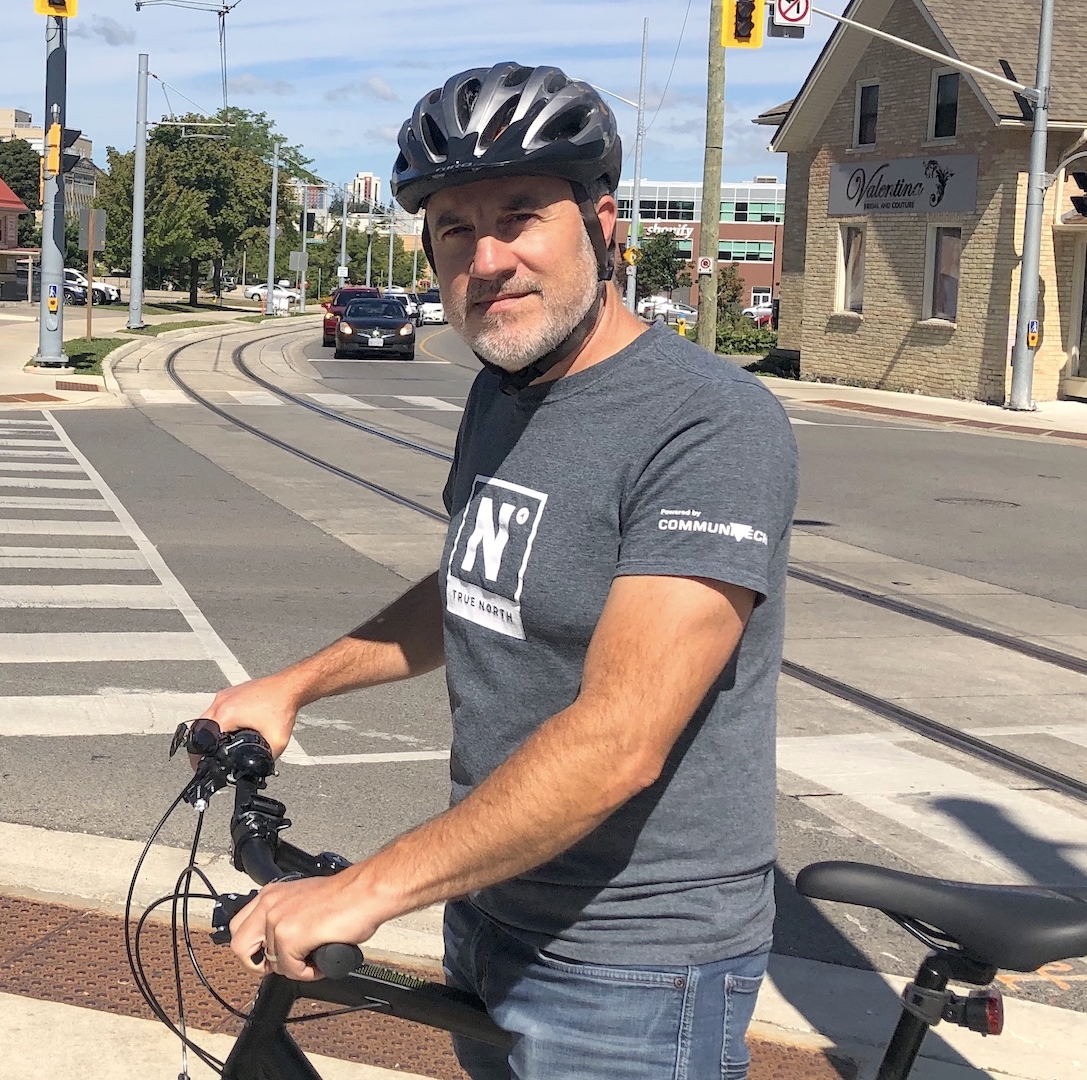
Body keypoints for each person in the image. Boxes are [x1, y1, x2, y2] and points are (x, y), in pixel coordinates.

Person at [206, 63, 798, 1080]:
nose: (486, 259)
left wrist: (368, 890)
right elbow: (474, 586)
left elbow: (619, 740)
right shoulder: (505, 392)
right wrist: (295, 685)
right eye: (453, 230)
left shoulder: (706, 425)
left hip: (634, 962)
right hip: (492, 906)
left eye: (520, 217)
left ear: (602, 224)